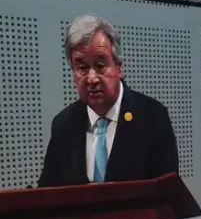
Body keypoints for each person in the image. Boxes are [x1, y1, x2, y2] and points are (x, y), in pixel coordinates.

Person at [39, 15, 178, 188]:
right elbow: (46, 192)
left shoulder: (153, 117)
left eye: (100, 66)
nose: (91, 79)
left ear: (119, 67)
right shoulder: (63, 124)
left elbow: (168, 196)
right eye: (82, 68)